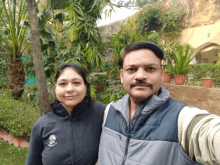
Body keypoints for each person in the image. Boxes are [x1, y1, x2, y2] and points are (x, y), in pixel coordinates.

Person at [97, 41, 220, 165]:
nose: (140, 76)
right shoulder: (110, 111)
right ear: (122, 76)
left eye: (150, 69)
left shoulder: (182, 120)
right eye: (132, 69)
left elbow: (211, 133)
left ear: (161, 74)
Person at [26, 63, 106, 165]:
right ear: (55, 88)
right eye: (63, 84)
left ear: (85, 87)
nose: (69, 89)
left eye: (76, 83)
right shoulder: (42, 125)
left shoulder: (100, 113)